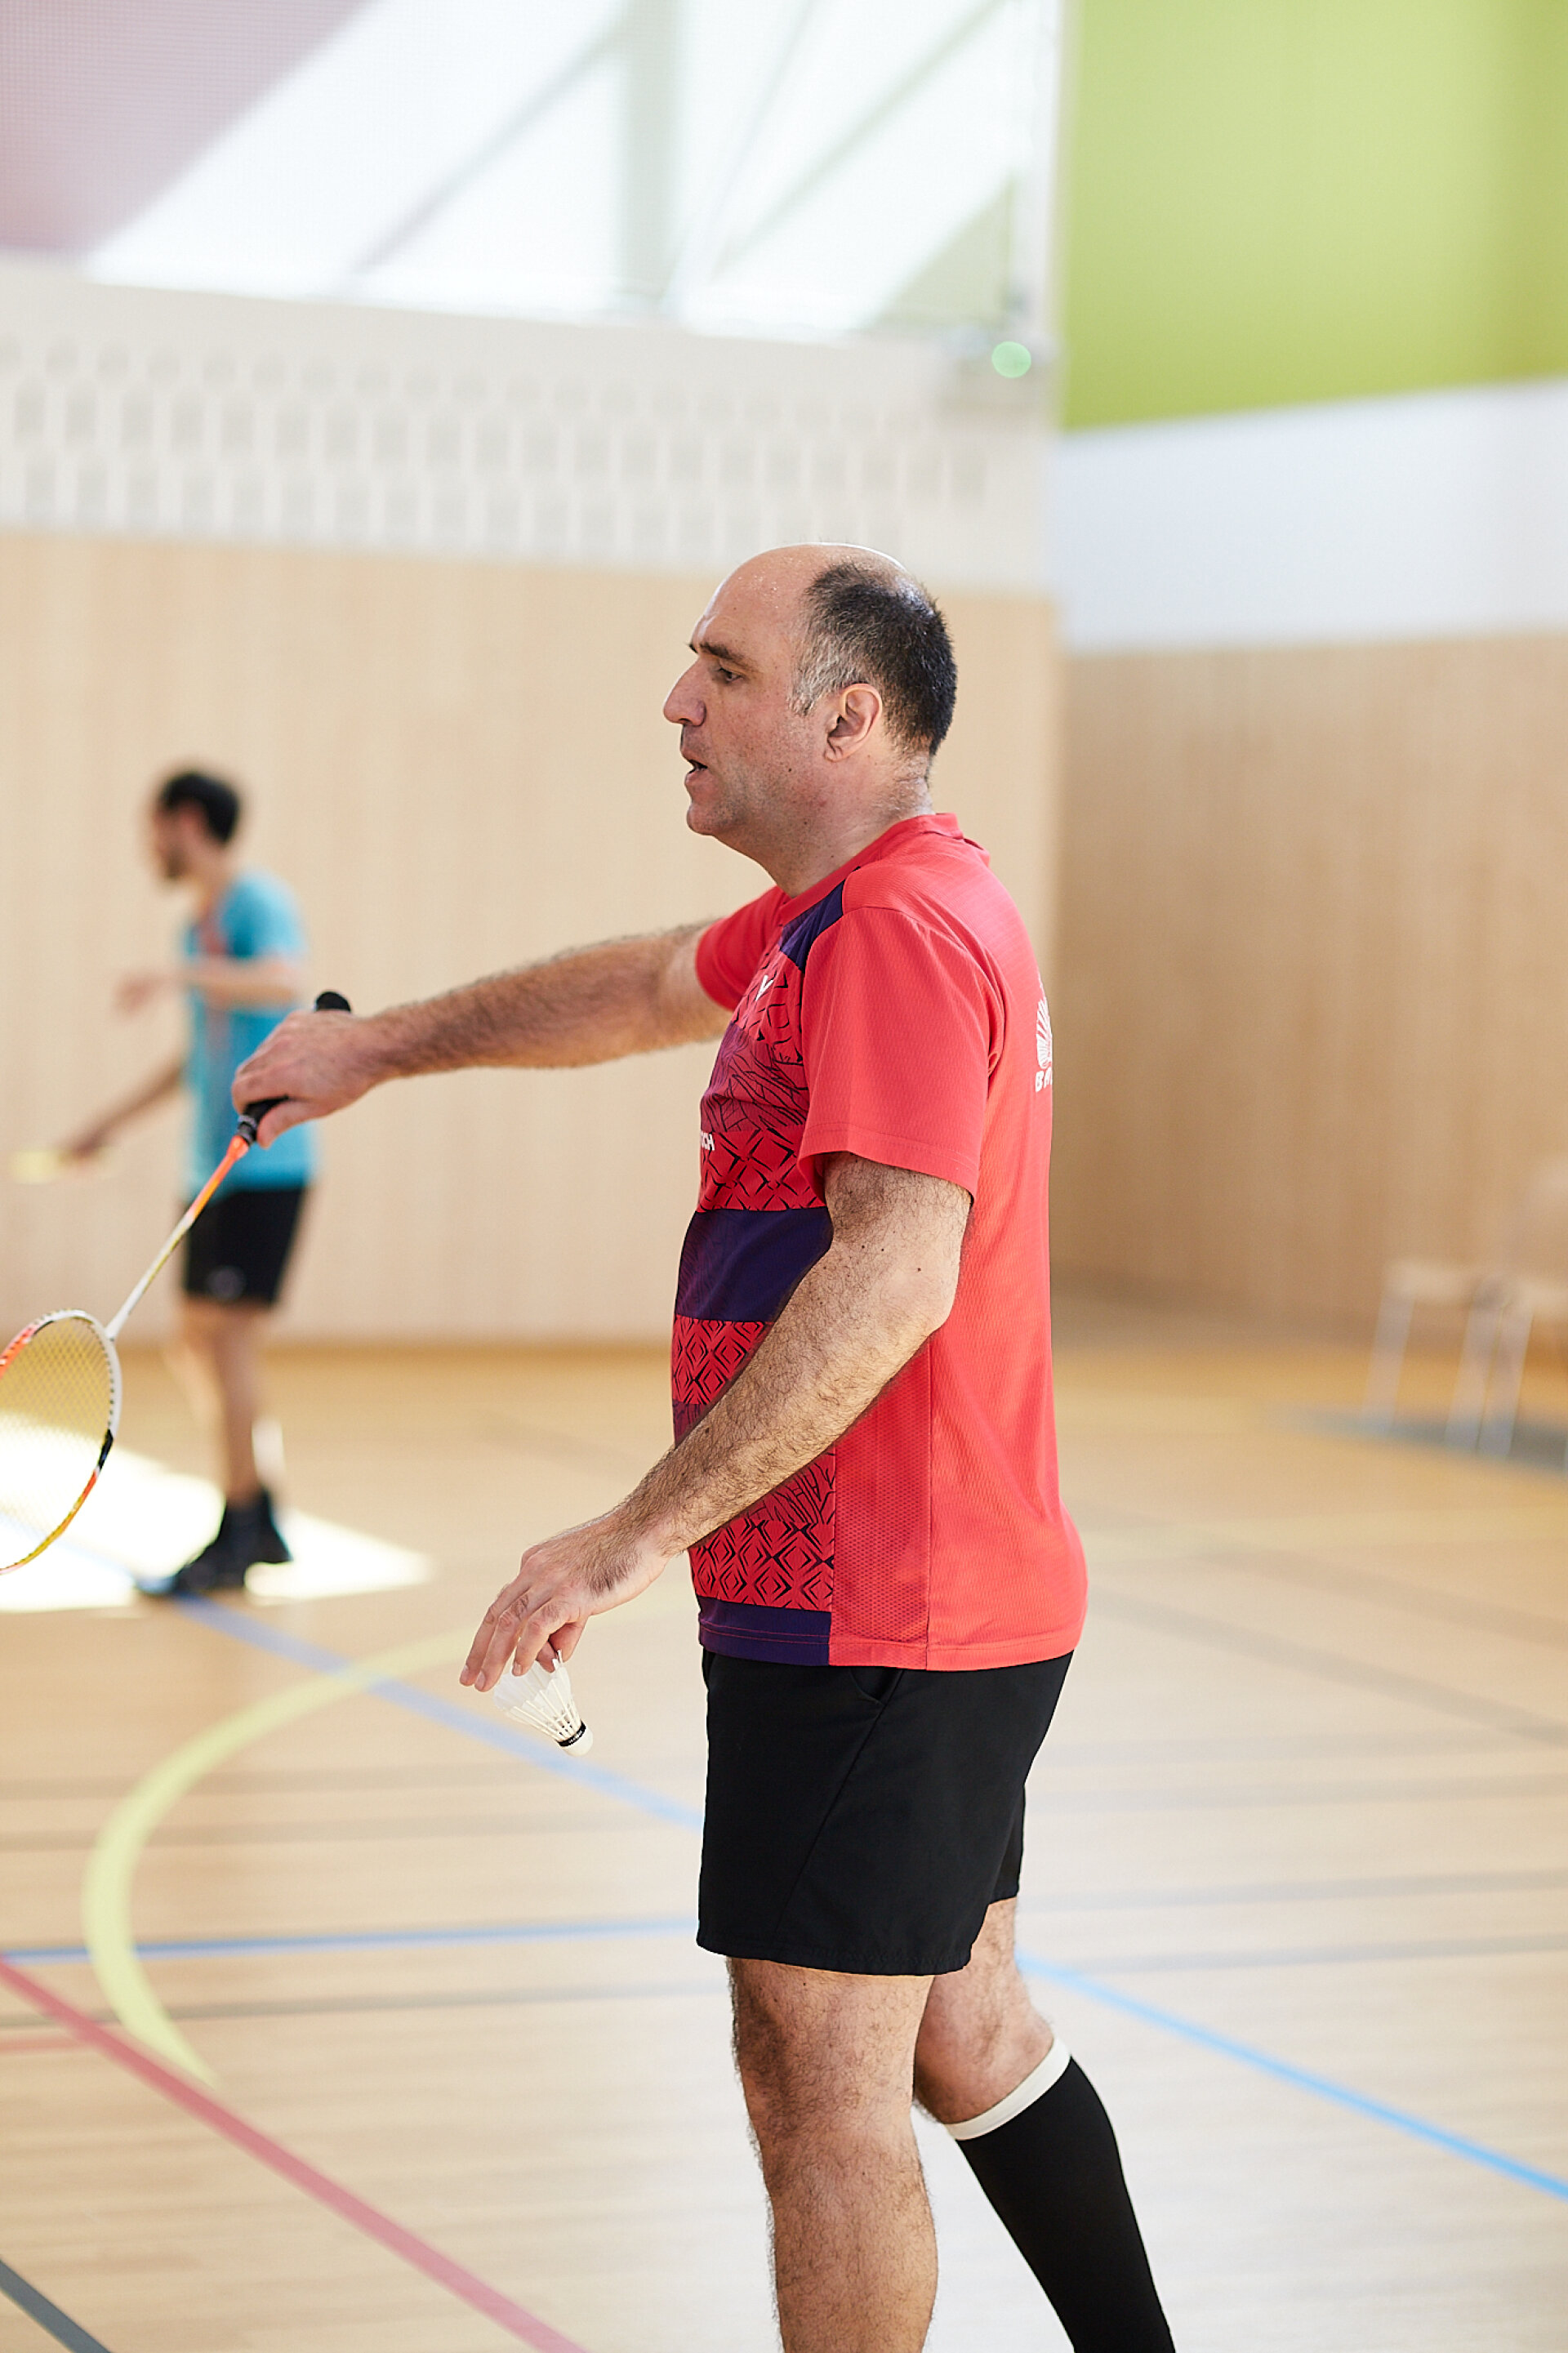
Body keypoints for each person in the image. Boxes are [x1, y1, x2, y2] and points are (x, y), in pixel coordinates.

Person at [234, 546, 1177, 2353]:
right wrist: (382, 1048)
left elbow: (894, 1273)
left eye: (723, 671)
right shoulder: (841, 916)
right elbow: (640, 986)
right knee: (959, 2026)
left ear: (846, 719)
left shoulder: (899, 932)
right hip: (920, 1599)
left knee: (818, 2090)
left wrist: (622, 1537)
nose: (679, 701)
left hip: (881, 1609)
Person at [63, 769, 315, 1593]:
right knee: (195, 1340)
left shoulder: (254, 902)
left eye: (154, 826)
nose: (149, 845)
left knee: (224, 1336)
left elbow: (283, 979)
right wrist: (109, 1121)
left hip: (263, 1161)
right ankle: (258, 1507)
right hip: (211, 1169)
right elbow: (200, 1056)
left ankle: (240, 1526)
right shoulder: (195, 926)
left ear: (186, 821)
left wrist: (180, 976)